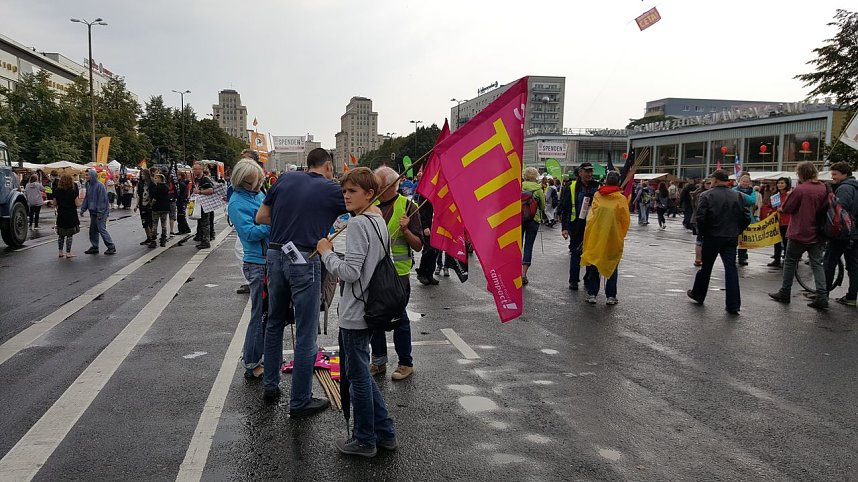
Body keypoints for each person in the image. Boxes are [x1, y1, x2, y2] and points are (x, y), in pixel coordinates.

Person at [255, 148, 346, 411]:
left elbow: (260, 217)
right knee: (306, 330)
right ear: (328, 165)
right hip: (304, 258)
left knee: (274, 322)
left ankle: (270, 386)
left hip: (274, 254)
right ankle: (300, 400)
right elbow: (361, 207)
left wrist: (288, 218)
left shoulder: (285, 178)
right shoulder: (331, 189)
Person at [316, 167, 397, 458]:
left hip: (356, 310)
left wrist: (326, 252)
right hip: (371, 306)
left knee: (358, 376)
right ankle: (385, 432)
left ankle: (365, 439)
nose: (346, 196)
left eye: (352, 191)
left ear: (370, 193)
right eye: (344, 190)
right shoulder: (377, 220)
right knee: (360, 372)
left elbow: (350, 272)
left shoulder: (360, 224)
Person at [369, 166, 422, 381]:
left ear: (392, 185)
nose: (374, 190)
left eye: (378, 186)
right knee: (374, 316)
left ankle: (405, 363)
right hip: (372, 272)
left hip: (398, 274)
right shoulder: (369, 207)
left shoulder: (409, 207)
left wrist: (407, 230)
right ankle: (379, 361)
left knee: (398, 317)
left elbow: (418, 246)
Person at [228, 160, 271, 379]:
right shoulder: (236, 203)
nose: (260, 183)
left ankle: (262, 356)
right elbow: (249, 233)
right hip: (256, 263)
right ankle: (252, 361)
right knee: (259, 314)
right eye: (256, 181)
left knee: (267, 313)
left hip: (267, 260)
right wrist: (272, 223)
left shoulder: (257, 196)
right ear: (243, 181)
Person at [768, 162, 830, 310]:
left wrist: (785, 203)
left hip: (799, 231)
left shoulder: (800, 190)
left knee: (790, 262)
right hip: (818, 233)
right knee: (817, 264)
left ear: (800, 174)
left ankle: (785, 291)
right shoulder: (824, 188)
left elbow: (787, 209)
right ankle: (822, 295)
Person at [686, 170, 749, 314]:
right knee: (731, 269)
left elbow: (701, 217)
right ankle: (733, 304)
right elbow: (746, 216)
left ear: (715, 180)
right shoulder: (738, 195)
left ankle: (698, 294)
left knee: (706, 268)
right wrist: (737, 230)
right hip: (730, 236)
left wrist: (702, 234)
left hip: (712, 236)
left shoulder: (707, 195)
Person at [580, 171, 630, 305]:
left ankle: (592, 294)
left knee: (595, 264)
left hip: (596, 236)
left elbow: (591, 216)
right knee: (612, 265)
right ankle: (611, 296)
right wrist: (621, 234)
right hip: (613, 237)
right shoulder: (621, 198)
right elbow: (625, 220)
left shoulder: (598, 195)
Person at [558, 162, 600, 290]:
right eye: (586, 171)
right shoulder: (571, 186)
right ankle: (573, 280)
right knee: (576, 254)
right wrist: (564, 227)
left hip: (593, 226)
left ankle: (588, 277)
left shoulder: (597, 186)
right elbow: (565, 207)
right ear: (580, 172)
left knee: (591, 254)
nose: (589, 174)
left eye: (590, 171)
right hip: (576, 226)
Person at [824, 162, 858, 306]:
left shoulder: (844, 188)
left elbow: (839, 213)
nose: (833, 177)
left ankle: (823, 294)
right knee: (854, 266)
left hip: (843, 234)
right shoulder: (856, 187)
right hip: (856, 234)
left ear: (844, 174)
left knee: (829, 263)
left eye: (835, 174)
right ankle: (851, 297)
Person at [80, 169, 116, 255]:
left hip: (101, 212)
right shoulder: (88, 185)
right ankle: (95, 246)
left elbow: (102, 200)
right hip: (93, 211)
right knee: (93, 230)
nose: (86, 176)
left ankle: (111, 246)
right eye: (85, 175)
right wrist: (83, 209)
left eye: (87, 175)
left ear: (92, 175)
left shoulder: (100, 186)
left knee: (101, 229)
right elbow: (87, 198)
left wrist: (100, 212)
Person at [521, 167, 545, 285]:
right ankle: (523, 274)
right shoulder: (538, 189)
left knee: (517, 246)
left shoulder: (520, 186)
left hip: (519, 220)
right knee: (528, 246)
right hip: (534, 220)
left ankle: (514, 272)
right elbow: (543, 207)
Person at [413, 186, 439, 286]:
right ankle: (422, 272)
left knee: (435, 251)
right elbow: (421, 209)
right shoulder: (426, 191)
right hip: (428, 226)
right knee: (429, 249)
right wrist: (424, 226)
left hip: (436, 226)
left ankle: (430, 274)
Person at [53, 173, 80, 258]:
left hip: (61, 214)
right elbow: (77, 204)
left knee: (61, 235)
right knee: (69, 235)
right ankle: (68, 253)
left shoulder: (57, 191)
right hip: (71, 214)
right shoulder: (72, 191)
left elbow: (54, 203)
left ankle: (60, 252)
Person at [768, 177, 792, 268]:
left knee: (786, 242)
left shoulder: (789, 195)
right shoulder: (775, 196)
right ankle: (776, 259)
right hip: (777, 221)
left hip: (787, 221)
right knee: (776, 241)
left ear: (786, 184)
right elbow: (771, 207)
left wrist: (783, 209)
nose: (780, 185)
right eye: (779, 183)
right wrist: (771, 211)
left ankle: (786, 260)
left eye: (782, 183)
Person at [734, 174, 757, 266]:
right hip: (735, 217)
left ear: (749, 183)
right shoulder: (734, 190)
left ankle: (742, 257)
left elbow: (752, 201)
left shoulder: (752, 191)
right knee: (734, 237)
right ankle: (732, 254)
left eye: (747, 181)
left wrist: (742, 195)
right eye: (743, 181)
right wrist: (745, 197)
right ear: (740, 181)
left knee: (744, 238)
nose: (745, 183)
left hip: (747, 217)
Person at [192, 162, 215, 249]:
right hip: (199, 205)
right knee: (201, 223)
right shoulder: (197, 179)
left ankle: (206, 241)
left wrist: (200, 192)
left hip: (205, 205)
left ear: (201, 170)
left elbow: (211, 190)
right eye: (194, 169)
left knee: (205, 224)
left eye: (196, 169)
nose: (194, 171)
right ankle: (203, 239)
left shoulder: (205, 179)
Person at [690, 179, 711, 266]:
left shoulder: (702, 193)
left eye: (711, 183)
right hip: (699, 219)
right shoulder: (701, 194)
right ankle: (698, 259)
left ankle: (700, 258)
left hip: (700, 219)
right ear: (703, 184)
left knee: (702, 239)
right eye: (707, 183)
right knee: (700, 239)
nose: (709, 185)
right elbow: (699, 208)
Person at [135, 169, 156, 246]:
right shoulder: (140, 184)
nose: (142, 176)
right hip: (142, 205)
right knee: (144, 223)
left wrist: (151, 204)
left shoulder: (151, 184)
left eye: (144, 174)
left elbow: (154, 195)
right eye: (141, 174)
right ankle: (148, 237)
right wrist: (137, 205)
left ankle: (153, 239)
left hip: (149, 205)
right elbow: (139, 195)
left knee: (151, 223)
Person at [151, 173, 171, 247]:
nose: (155, 179)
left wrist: (151, 204)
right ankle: (163, 240)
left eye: (156, 178)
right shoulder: (166, 187)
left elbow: (154, 199)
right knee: (164, 224)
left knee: (155, 224)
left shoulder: (156, 187)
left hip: (157, 208)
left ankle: (153, 240)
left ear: (160, 179)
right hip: (165, 208)